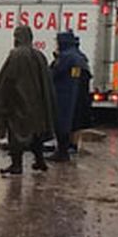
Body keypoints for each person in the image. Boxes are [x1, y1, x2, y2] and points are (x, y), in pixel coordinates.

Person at [0, 25, 56, 175]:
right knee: (36, 134)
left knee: (16, 135)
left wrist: (0, 102)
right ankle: (40, 161)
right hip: (37, 104)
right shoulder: (39, 55)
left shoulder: (16, 55)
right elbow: (46, 82)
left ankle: (16, 165)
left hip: (19, 103)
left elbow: (7, 80)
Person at [50, 31, 91, 162]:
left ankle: (62, 152)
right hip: (74, 95)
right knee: (72, 122)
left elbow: (54, 73)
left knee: (61, 124)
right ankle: (68, 148)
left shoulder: (66, 57)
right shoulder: (78, 56)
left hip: (63, 95)